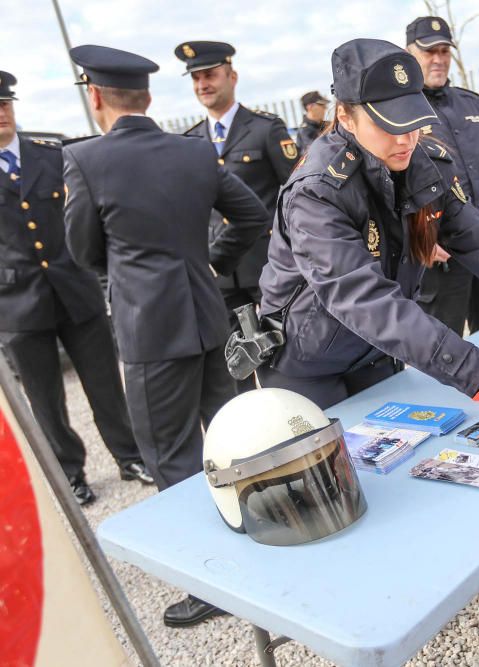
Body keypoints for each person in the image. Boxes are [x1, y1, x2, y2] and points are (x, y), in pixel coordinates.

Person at [256, 38, 479, 412]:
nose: (404, 139)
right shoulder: (317, 191)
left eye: (411, 121)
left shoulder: (423, 164)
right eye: (387, 125)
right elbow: (362, 298)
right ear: (346, 118)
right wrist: (476, 373)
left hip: (376, 352)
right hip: (308, 365)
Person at [61, 45, 270, 627]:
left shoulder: (83, 160)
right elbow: (252, 216)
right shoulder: (194, 151)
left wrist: (130, 273)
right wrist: (209, 261)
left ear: (95, 96)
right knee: (227, 437)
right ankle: (260, 535)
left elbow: (82, 249)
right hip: (207, 313)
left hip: (150, 327)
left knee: (170, 454)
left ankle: (209, 579)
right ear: (148, 97)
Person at [0, 70, 152, 506]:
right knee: (45, 397)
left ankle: (129, 455)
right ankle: (70, 472)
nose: (2, 113)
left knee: (105, 383)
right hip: (16, 303)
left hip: (75, 290)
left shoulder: (51, 156)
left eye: (5, 104)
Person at [174, 41, 298, 391]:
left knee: (283, 357)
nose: (203, 84)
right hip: (219, 272)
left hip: (268, 266)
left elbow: (295, 194)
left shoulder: (265, 129)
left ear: (232, 76)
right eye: (196, 78)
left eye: (210, 75)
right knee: (236, 365)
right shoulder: (191, 142)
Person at [405, 16, 479, 335]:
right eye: (430, 51)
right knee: (443, 351)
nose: (438, 59)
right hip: (440, 256)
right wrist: (418, 241)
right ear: (409, 53)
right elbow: (389, 186)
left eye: (444, 51)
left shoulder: (471, 103)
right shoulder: (400, 112)